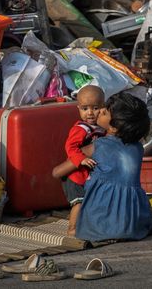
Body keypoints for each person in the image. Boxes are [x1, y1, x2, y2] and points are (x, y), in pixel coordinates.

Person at [75, 92, 152, 242]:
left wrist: (56, 172)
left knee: (73, 179)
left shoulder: (100, 145)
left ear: (115, 128)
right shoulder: (138, 148)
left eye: (103, 112)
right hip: (135, 222)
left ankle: (73, 227)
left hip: (101, 223)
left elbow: (71, 162)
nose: (98, 112)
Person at [51, 85, 106, 236]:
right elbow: (70, 146)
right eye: (85, 108)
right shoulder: (82, 128)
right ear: (78, 109)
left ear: (103, 108)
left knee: (89, 200)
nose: (90, 113)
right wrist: (81, 159)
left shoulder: (101, 128)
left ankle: (87, 224)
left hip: (88, 175)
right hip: (75, 175)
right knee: (79, 202)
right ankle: (72, 229)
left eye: (95, 108)